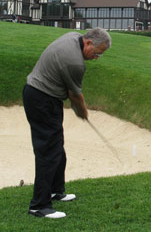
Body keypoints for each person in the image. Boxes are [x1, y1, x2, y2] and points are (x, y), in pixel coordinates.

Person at [22, 28, 111, 219]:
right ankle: (39, 206)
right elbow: (75, 96)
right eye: (96, 53)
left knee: (56, 147)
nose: (96, 58)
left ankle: (55, 191)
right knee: (48, 152)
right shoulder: (75, 63)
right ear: (88, 43)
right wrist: (83, 113)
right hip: (41, 99)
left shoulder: (73, 36)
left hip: (42, 96)